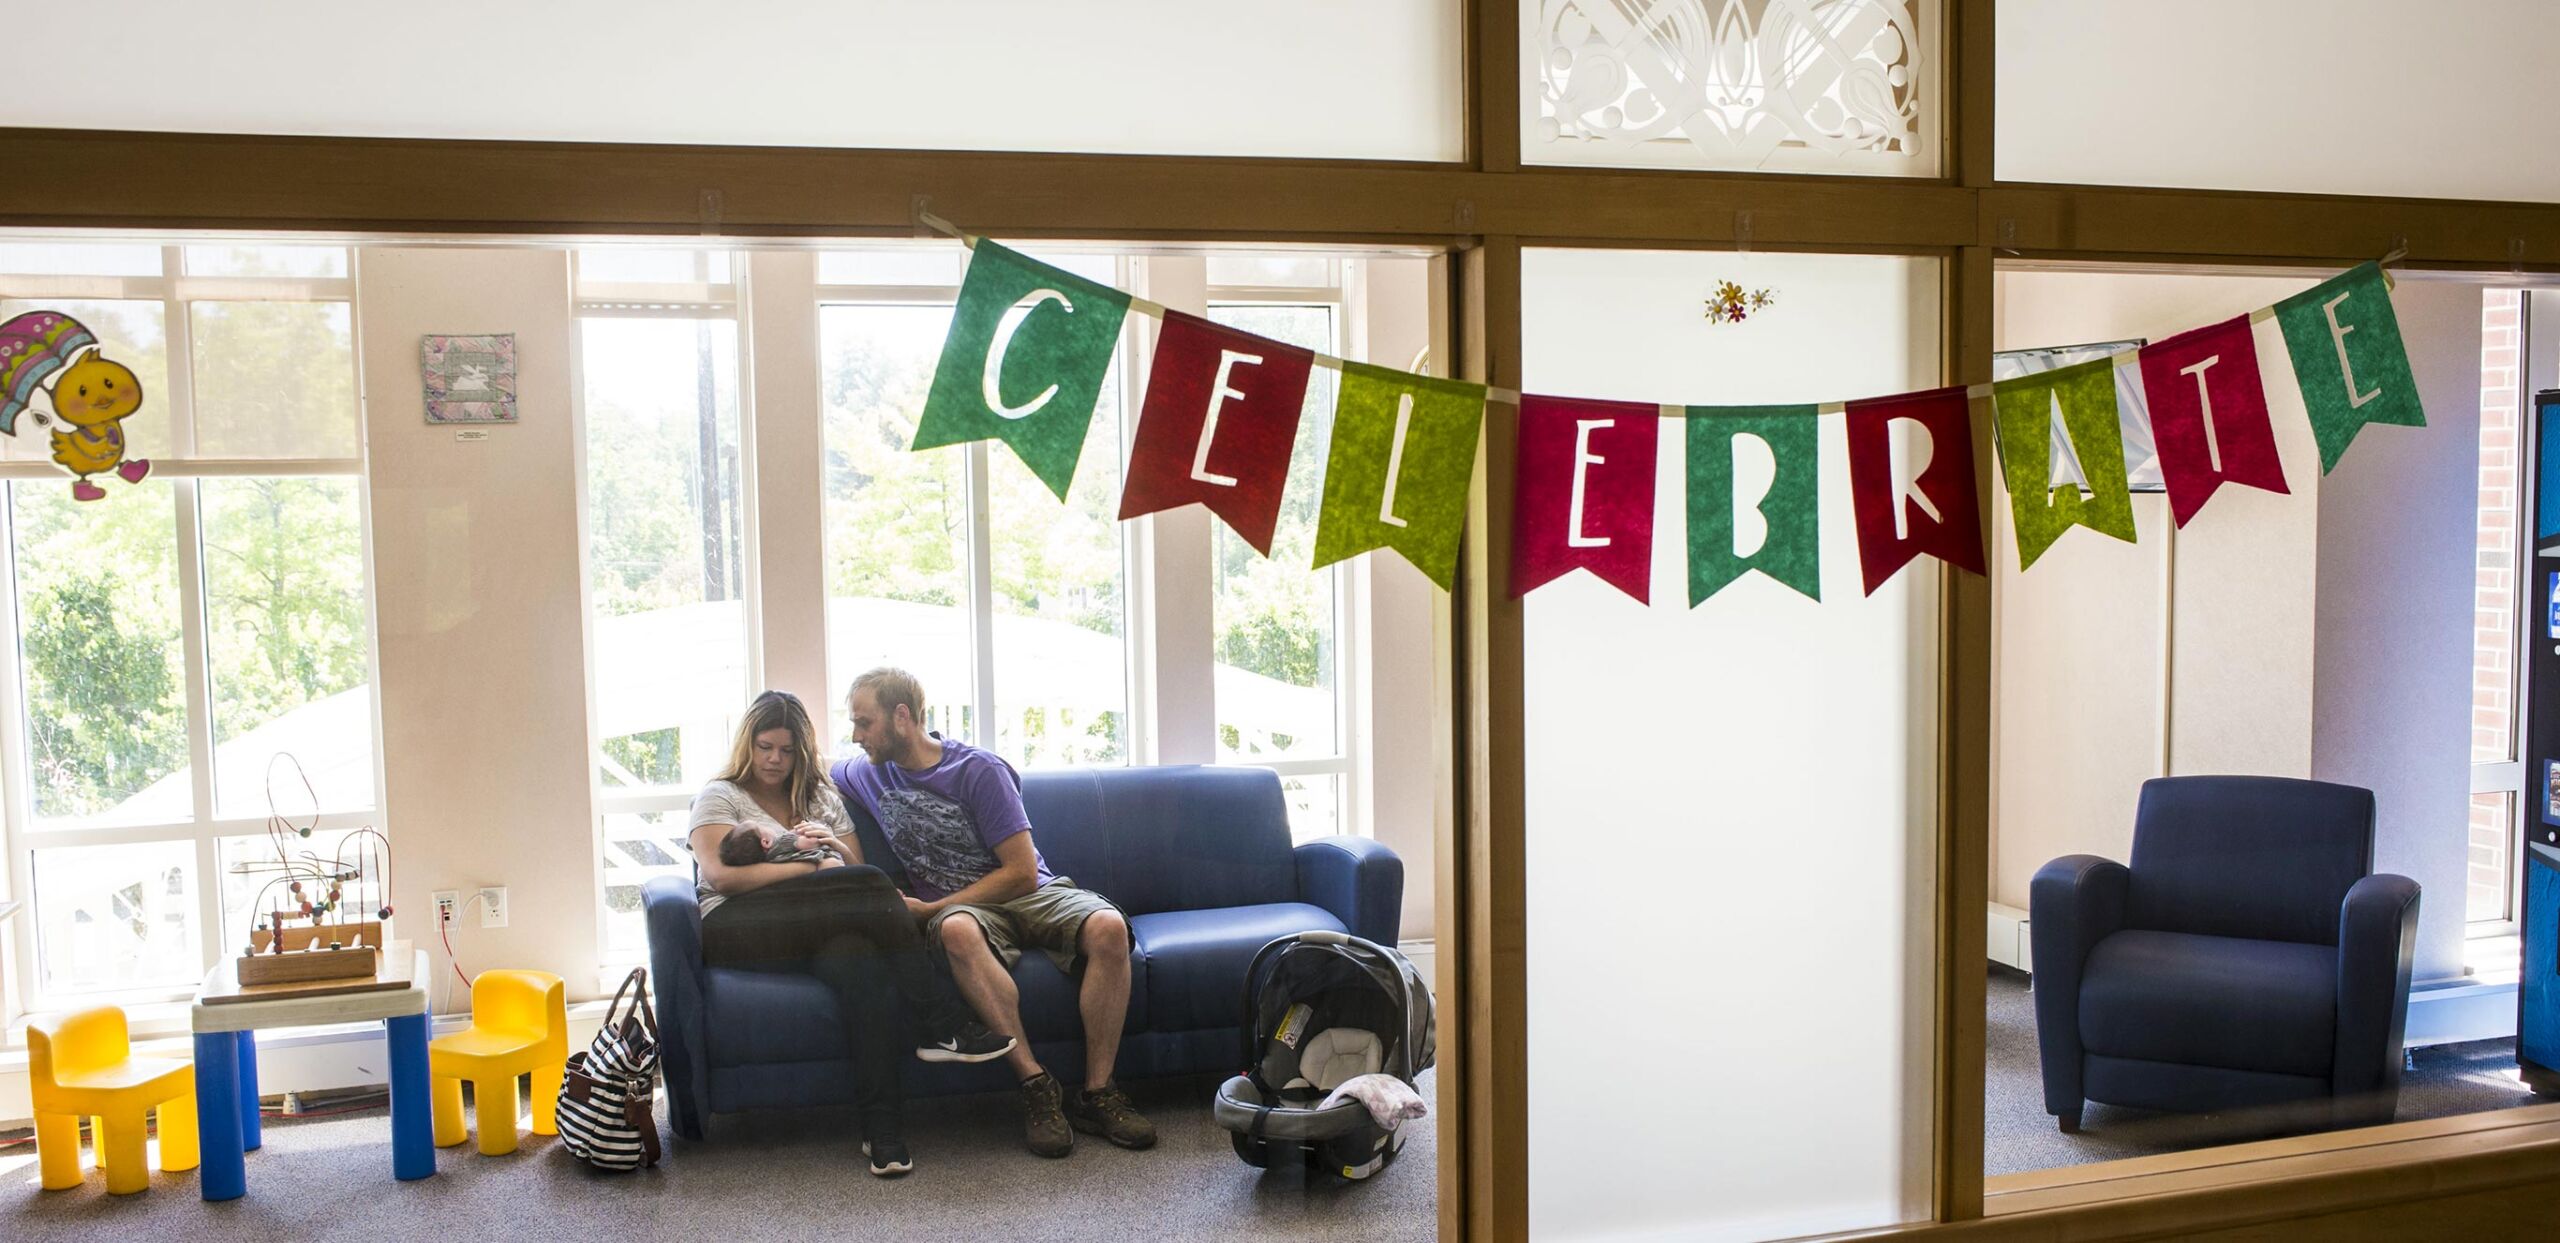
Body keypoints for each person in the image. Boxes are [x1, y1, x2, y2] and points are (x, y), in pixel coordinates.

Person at [832, 667, 1158, 1159]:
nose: (856, 736)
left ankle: (1098, 1092)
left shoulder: (977, 770)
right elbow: (809, 768)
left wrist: (931, 909)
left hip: (1026, 891)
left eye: (863, 722)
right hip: (968, 917)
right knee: (958, 933)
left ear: (902, 717)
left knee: (1110, 927)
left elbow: (1023, 874)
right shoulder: (864, 770)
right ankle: (1035, 1085)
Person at [689, 689, 1014, 1177]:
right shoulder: (721, 795)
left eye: (786, 749)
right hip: (738, 925)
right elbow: (722, 877)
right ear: (747, 746)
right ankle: (942, 1023)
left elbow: (856, 870)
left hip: (814, 927)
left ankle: (882, 1133)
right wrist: (808, 870)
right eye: (765, 747)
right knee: (867, 890)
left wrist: (831, 846)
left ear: (802, 750)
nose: (775, 760)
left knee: (862, 966)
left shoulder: (820, 797)